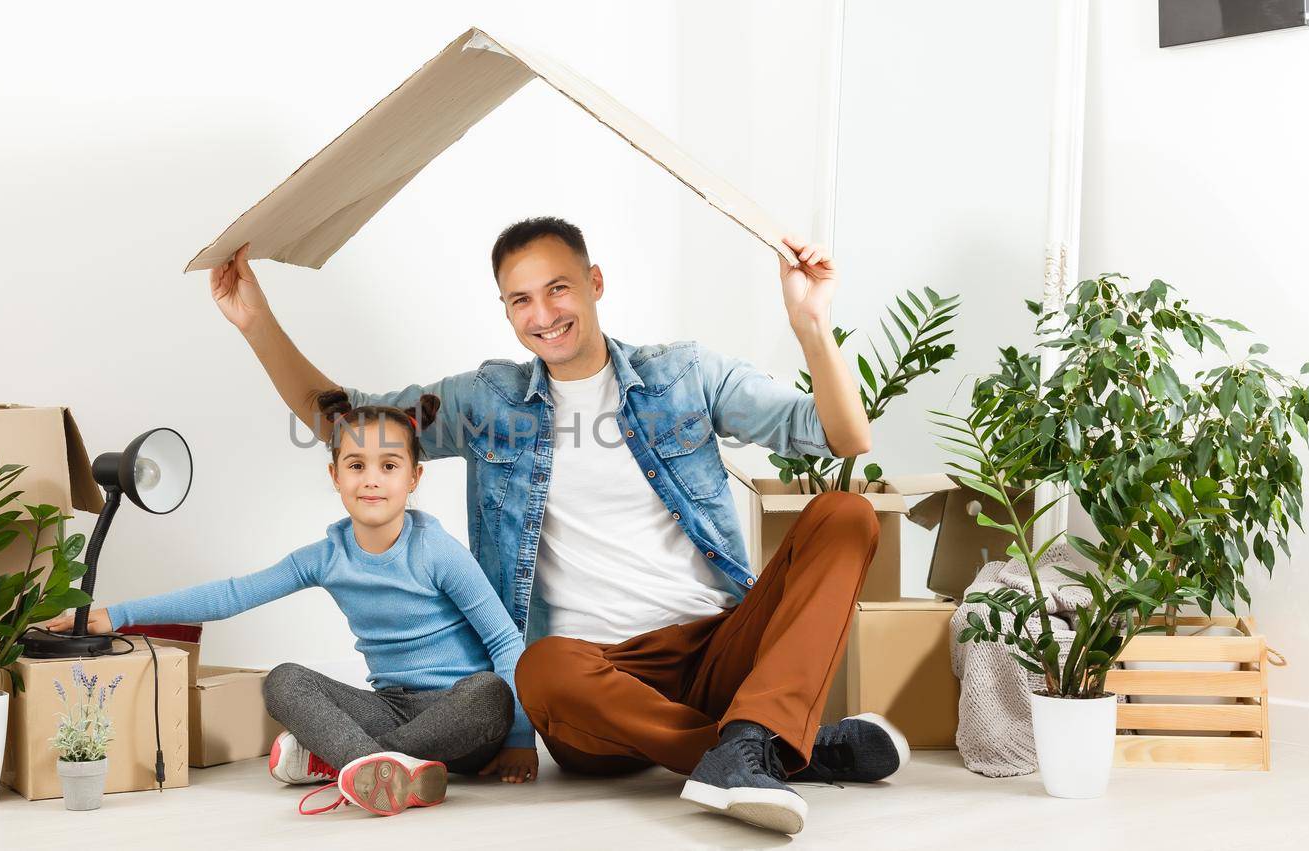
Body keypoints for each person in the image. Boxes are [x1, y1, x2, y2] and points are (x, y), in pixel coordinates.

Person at [210, 216, 904, 835]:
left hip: (722, 650)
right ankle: (774, 745)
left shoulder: (684, 376)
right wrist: (255, 322)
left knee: (845, 514)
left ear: (595, 281)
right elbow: (345, 421)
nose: (543, 313)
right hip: (595, 684)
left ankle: (751, 738)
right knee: (540, 665)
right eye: (521, 299)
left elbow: (842, 436)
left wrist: (811, 322)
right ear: (507, 311)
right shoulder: (487, 403)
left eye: (559, 288)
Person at [46, 393, 536, 817]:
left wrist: (519, 740)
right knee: (283, 679)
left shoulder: (435, 549)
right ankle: (384, 770)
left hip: (461, 720)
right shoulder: (327, 556)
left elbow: (503, 639)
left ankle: (350, 762)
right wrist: (116, 615)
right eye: (356, 466)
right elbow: (234, 594)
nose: (371, 480)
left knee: (489, 691)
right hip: (390, 708)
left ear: (414, 478)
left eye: (389, 466)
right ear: (335, 475)